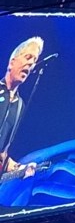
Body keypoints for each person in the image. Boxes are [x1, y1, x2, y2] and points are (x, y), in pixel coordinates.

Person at [0, 37, 44, 176]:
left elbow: (3, 155)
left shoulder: (20, 106)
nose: (31, 64)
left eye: (34, 61)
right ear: (12, 63)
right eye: (28, 57)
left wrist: (20, 168)